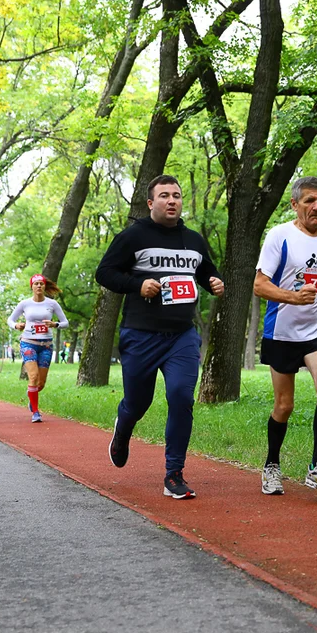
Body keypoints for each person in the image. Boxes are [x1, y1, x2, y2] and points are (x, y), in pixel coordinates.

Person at [95, 174, 224, 499]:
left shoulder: (193, 240)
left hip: (181, 336)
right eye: (164, 195)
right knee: (138, 402)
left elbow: (204, 270)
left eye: (177, 195)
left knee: (181, 397)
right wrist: (137, 285)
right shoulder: (133, 236)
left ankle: (174, 474)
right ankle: (123, 428)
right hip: (141, 335)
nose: (172, 200)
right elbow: (105, 272)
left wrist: (214, 282)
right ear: (151, 202)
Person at [253, 176, 317, 496]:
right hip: (282, 331)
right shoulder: (279, 236)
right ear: (295, 204)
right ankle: (271, 466)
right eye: (309, 201)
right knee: (284, 405)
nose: (316, 207)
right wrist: (293, 298)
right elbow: (259, 285)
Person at [7, 275, 69, 423]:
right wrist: (16, 326)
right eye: (36, 284)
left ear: (44, 286)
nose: (39, 286)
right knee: (33, 377)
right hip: (28, 342)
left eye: (41, 284)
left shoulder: (52, 304)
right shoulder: (24, 304)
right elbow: (10, 319)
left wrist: (54, 324)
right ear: (32, 287)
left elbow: (65, 322)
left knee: (40, 383)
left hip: (46, 345)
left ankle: (31, 396)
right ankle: (35, 411)